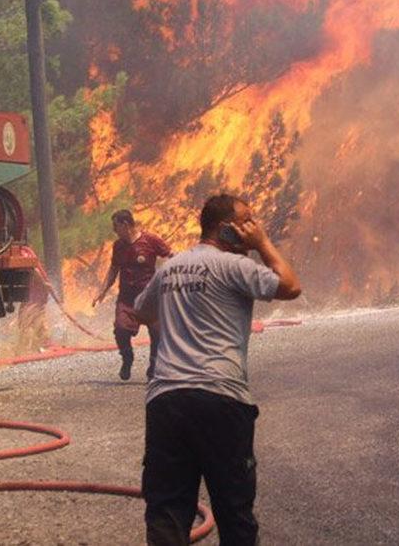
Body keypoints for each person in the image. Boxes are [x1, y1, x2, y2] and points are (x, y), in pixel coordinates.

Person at [133, 194, 302, 546]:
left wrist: (180, 333)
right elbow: (290, 286)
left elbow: (142, 311)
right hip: (221, 400)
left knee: (166, 513)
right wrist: (263, 244)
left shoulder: (171, 268)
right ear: (225, 230)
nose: (252, 229)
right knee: (234, 512)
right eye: (246, 224)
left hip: (166, 401)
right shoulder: (235, 266)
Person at [92, 210, 172, 381]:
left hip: (150, 298)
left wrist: (169, 278)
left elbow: (170, 256)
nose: (114, 230)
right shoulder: (118, 246)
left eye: (116, 226)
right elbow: (113, 269)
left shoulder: (150, 240)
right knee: (120, 330)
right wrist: (102, 291)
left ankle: (154, 366)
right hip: (127, 298)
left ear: (125, 225)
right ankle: (127, 359)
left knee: (158, 333)